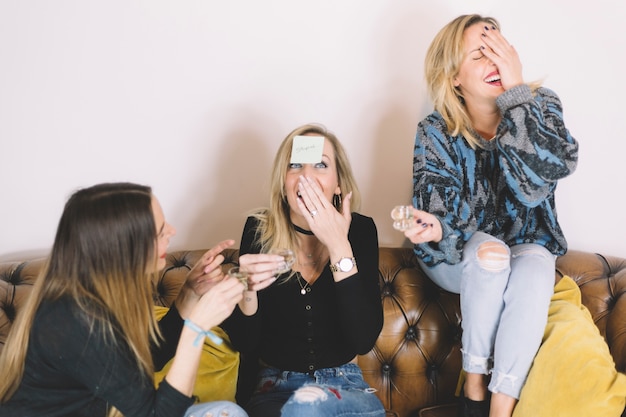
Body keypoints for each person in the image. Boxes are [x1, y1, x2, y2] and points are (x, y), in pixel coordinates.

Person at [403, 14, 579, 417]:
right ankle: (475, 386)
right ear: (453, 78)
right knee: (490, 252)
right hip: (455, 252)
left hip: (526, 249)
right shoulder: (435, 130)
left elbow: (532, 187)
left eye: (500, 50)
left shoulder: (541, 105)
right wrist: (436, 228)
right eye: (481, 54)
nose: (496, 62)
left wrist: (517, 96)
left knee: (535, 267)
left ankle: (501, 405)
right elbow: (443, 216)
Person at [0, 182, 249, 417]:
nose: (172, 231)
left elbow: (143, 360)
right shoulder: (73, 319)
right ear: (124, 249)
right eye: (161, 230)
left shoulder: (94, 297)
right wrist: (196, 328)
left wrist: (189, 295)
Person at [222, 123, 385, 417]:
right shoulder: (259, 230)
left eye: (320, 165)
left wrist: (338, 245)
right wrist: (247, 289)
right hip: (276, 390)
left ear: (338, 184)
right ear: (283, 182)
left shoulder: (360, 231)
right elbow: (245, 342)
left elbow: (363, 340)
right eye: (295, 165)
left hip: (345, 389)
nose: (306, 176)